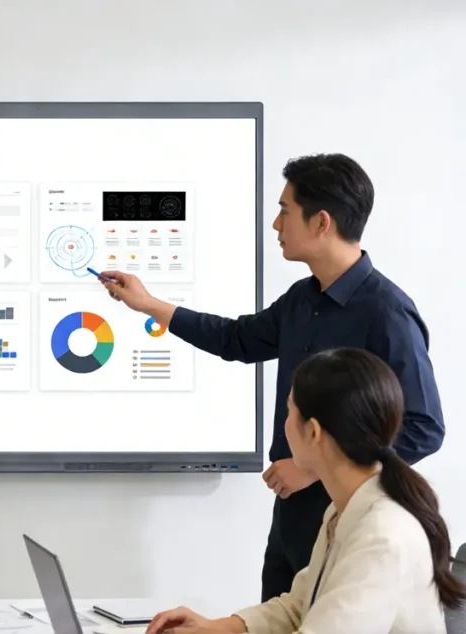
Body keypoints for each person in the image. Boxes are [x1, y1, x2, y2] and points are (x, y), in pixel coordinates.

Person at [100, 153, 444, 601]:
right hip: (289, 519)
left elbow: (425, 429)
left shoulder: (387, 312)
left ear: (321, 222)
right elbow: (236, 339)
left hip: (344, 522)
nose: (276, 225)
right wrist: (149, 305)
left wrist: (315, 468)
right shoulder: (303, 298)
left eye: (284, 211)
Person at [144, 348, 464, 634]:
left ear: (313, 432)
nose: (285, 424)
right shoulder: (345, 509)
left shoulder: (382, 536)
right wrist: (218, 628)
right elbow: (301, 605)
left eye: (289, 411)